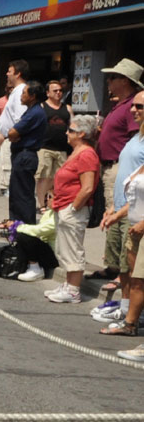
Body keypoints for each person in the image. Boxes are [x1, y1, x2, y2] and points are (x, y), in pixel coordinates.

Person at [91, 59, 144, 288]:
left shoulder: (133, 105)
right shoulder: (123, 104)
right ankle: (114, 267)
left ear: (125, 80)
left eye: (112, 77)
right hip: (115, 168)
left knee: (122, 226)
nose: (108, 81)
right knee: (112, 220)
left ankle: (121, 275)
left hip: (123, 173)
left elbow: (136, 140)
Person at [42, 114, 101, 304]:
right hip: (64, 206)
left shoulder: (87, 154)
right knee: (64, 248)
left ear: (82, 133)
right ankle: (68, 285)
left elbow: (88, 187)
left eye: (71, 130)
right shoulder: (76, 152)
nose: (67, 133)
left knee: (73, 249)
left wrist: (74, 207)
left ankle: (74, 289)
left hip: (73, 209)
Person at [0, 79, 47, 225]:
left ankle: (24, 225)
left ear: (33, 96)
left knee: (22, 193)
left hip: (26, 154)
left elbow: (12, 132)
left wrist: (14, 135)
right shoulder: (30, 111)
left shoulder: (35, 113)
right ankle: (15, 222)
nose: (21, 96)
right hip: (20, 154)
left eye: (24, 93)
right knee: (16, 191)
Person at [0, 59, 29, 198]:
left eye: (10, 71)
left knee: (10, 170)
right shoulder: (16, 91)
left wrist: (13, 135)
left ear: (18, 74)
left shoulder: (20, 92)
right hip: (9, 138)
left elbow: (21, 119)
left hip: (14, 140)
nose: (7, 74)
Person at [37, 80, 71, 211]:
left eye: (60, 90)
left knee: (59, 178)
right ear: (47, 93)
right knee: (44, 177)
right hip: (45, 147)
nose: (58, 93)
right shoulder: (41, 107)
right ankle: (42, 205)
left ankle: (55, 202)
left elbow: (72, 125)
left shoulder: (67, 108)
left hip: (62, 149)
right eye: (55, 90)